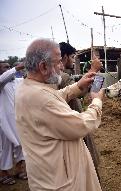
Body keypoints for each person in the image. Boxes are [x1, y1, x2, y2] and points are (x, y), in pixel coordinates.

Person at [15, 38, 105, 191]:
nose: (62, 66)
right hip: (61, 180)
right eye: (58, 62)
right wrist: (96, 102)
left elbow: (55, 95)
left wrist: (78, 86)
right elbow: (81, 125)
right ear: (43, 66)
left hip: (50, 172)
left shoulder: (29, 87)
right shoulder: (40, 98)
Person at [58, 42, 101, 180]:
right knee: (87, 161)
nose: (72, 60)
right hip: (74, 123)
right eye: (71, 56)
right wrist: (95, 71)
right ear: (64, 57)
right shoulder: (62, 77)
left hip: (64, 127)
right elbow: (82, 92)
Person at [0, 62, 27, 185]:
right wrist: (17, 67)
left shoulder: (17, 81)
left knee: (21, 145)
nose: (9, 69)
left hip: (18, 122)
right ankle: (3, 173)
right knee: (5, 148)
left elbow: (28, 79)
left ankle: (19, 170)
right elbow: (4, 77)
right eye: (6, 67)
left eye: (9, 67)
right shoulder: (1, 83)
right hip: (4, 124)